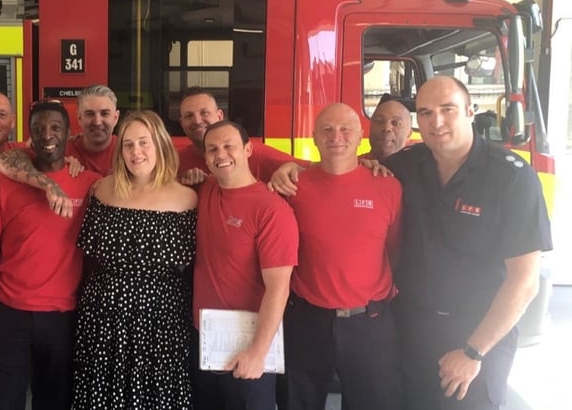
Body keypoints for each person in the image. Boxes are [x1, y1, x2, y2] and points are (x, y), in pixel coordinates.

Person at [385, 76, 552, 410]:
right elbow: (349, 175)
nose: (437, 121)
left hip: (478, 332)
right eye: (426, 113)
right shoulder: (404, 166)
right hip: (412, 328)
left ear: (471, 112)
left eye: (448, 109)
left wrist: (473, 351)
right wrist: (289, 169)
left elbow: (525, 281)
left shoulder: (512, 177)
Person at [0, 100, 100, 410]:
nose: (47, 134)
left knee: (55, 400)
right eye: (39, 128)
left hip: (64, 317)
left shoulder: (90, 184)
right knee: (1, 400)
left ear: (69, 134)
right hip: (8, 313)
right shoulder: (5, 184)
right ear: (28, 135)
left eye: (56, 127)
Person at [279, 103, 403, 410]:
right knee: (299, 403)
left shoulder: (388, 186)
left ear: (361, 136)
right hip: (307, 322)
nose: (337, 136)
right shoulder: (294, 185)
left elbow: (396, 251)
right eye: (327, 130)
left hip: (369, 323)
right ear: (314, 137)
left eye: (346, 129)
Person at [73, 110, 197, 409]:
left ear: (160, 145)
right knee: (104, 391)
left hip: (162, 319)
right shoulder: (102, 190)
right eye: (128, 145)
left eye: (144, 142)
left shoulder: (188, 198)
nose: (136, 152)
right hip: (104, 317)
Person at [193, 120, 298, 410]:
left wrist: (258, 352)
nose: (221, 154)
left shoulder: (272, 210)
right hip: (204, 339)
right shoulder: (205, 190)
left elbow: (279, 288)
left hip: (248, 342)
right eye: (212, 149)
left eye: (229, 146)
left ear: (248, 149)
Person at [0, 84, 120, 188]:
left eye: (105, 114)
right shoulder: (56, 147)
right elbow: (1, 160)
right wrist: (49, 182)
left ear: (115, 118)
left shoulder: (127, 150)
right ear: (79, 118)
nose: (97, 122)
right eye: (89, 114)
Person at [176, 87, 309, 185]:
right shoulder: (175, 162)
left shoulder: (256, 153)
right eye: (189, 116)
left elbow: (314, 169)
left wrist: (292, 167)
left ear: (220, 116)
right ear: (182, 123)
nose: (197, 121)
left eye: (205, 113)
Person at [367, 96, 413, 161]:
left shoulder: (418, 169)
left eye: (395, 123)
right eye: (379, 121)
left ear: (409, 134)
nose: (386, 128)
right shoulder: (353, 166)